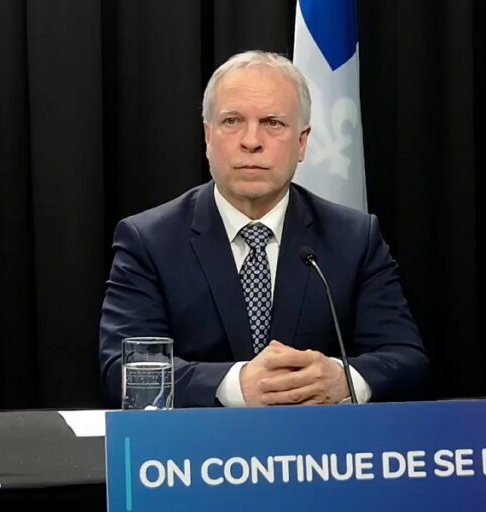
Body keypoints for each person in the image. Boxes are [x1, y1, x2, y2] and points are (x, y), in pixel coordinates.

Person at [99, 50, 428, 408]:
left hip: (317, 440)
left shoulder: (354, 237)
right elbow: (124, 369)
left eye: (272, 123)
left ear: (302, 142)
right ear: (208, 137)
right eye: (232, 121)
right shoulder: (149, 240)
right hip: (198, 442)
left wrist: (343, 378)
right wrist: (235, 386)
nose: (251, 141)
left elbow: (405, 358)